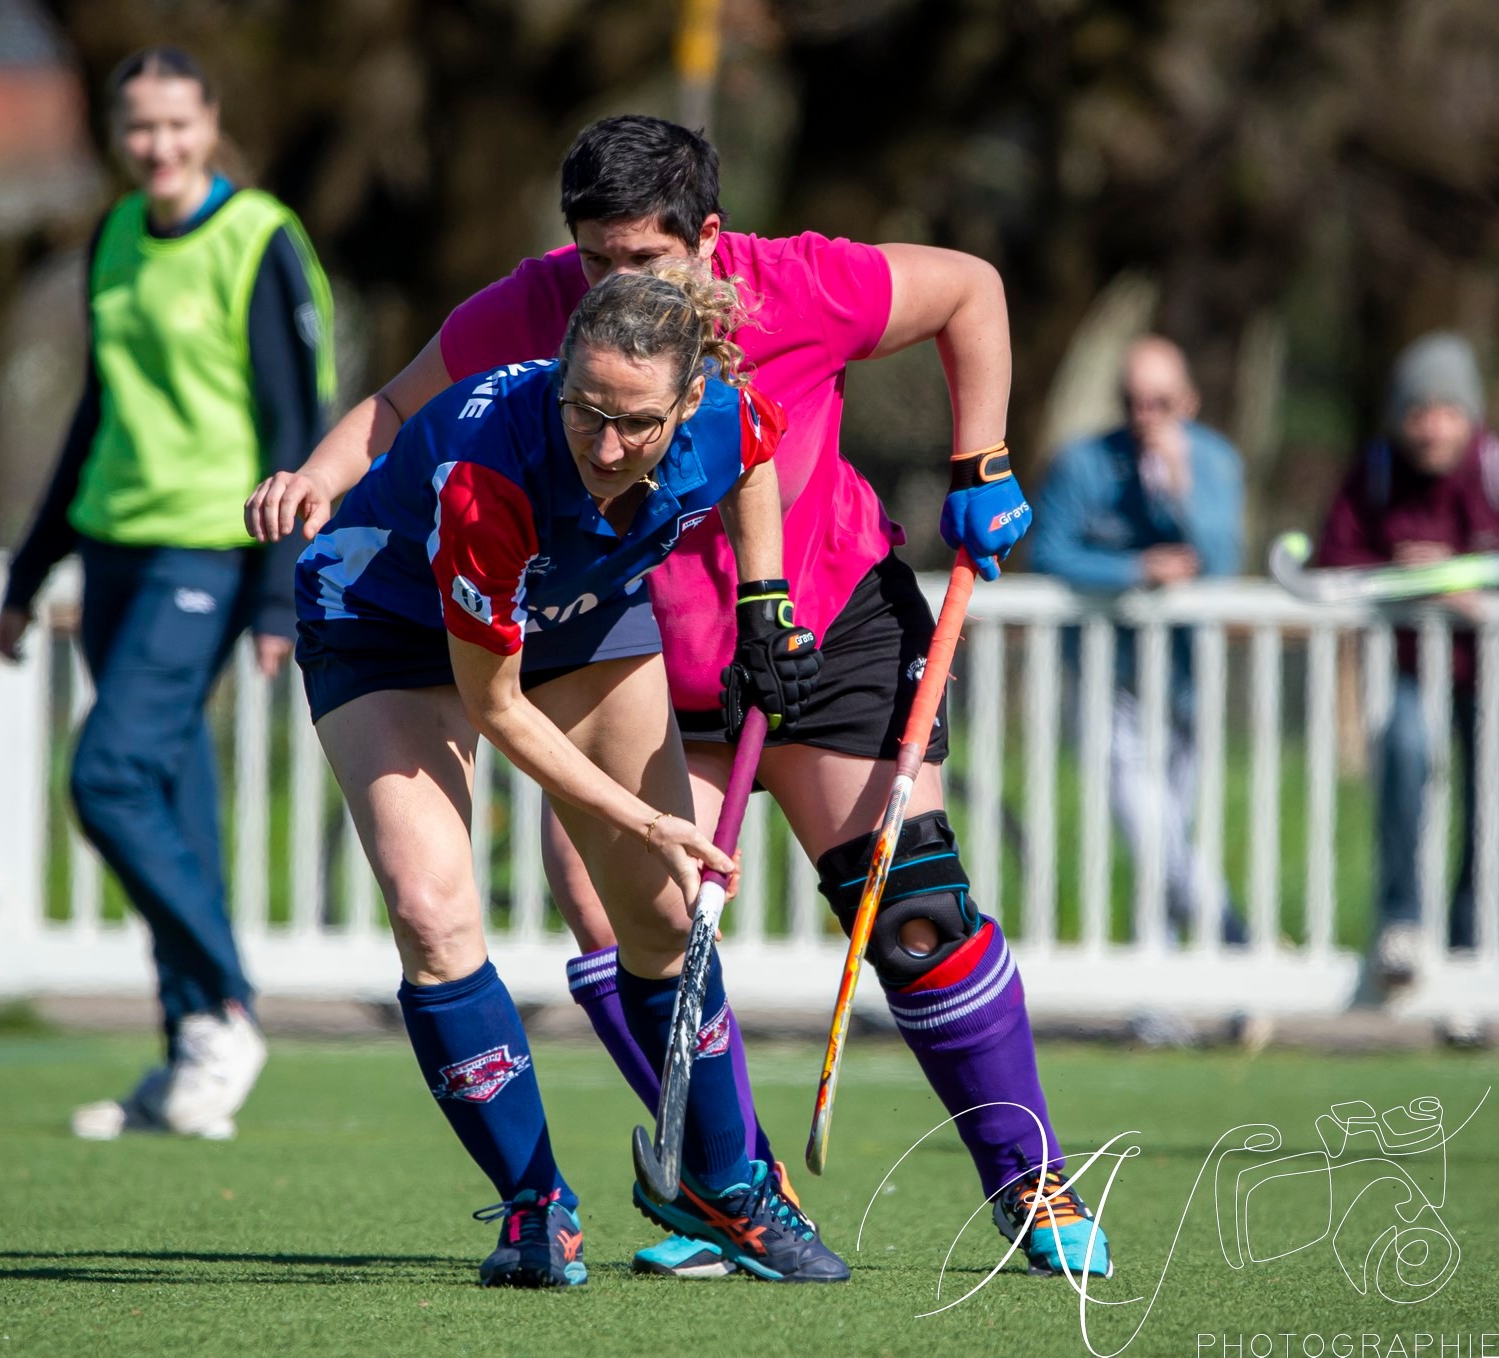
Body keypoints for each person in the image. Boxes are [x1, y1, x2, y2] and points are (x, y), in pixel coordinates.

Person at [251, 116, 1109, 1281]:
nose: (611, 286)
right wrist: (318, 475)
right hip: (612, 633)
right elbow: (405, 415)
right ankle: (730, 1181)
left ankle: (1030, 1177)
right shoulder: (537, 323)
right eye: (593, 257)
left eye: (642, 259)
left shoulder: (794, 293)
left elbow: (956, 298)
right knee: (618, 911)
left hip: (818, 623)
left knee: (912, 906)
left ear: (705, 238)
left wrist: (979, 462)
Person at [298, 265, 845, 1287]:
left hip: (578, 611)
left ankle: (725, 1188)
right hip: (388, 621)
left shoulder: (718, 414)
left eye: (637, 424)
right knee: (430, 913)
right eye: (586, 410)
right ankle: (535, 1205)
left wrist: (764, 600)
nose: (606, 447)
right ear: (559, 373)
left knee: (666, 916)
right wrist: (645, 816)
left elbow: (756, 453)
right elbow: (497, 705)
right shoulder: (489, 475)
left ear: (688, 399)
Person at [0, 47, 334, 1141]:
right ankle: (194, 1042)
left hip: (208, 550)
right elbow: (96, 410)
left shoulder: (259, 237)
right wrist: (27, 571)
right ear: (117, 133)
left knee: (105, 775)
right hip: (112, 550)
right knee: (171, 793)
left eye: (178, 124)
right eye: (140, 126)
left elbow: (297, 418)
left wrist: (279, 592)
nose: (159, 146)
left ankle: (226, 998)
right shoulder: (113, 236)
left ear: (211, 122)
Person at [1029, 336, 1248, 946]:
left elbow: (1223, 561)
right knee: (1150, 831)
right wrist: (1134, 570)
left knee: (1171, 832)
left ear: (1189, 401)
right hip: (1109, 674)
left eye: (1161, 402)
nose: (1145, 416)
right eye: (1133, 401)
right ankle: (1237, 938)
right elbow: (1049, 554)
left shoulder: (1216, 461)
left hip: (1189, 675)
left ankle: (1160, 978)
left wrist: (1180, 486)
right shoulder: (1082, 463)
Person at [1317, 331, 1498, 985]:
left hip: (1487, 673)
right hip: (1407, 668)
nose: (1431, 428)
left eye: (1446, 412)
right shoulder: (1375, 473)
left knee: (1488, 804)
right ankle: (1402, 921)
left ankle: (1475, 940)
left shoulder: (1491, 472)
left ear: (1469, 415)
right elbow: (1332, 563)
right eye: (1418, 413)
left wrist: (1460, 582)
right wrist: (1400, 577)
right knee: (1404, 750)